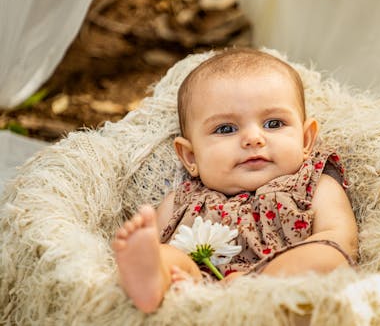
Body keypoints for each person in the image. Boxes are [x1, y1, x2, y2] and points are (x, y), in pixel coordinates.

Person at [112, 48, 358, 313]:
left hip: (280, 283)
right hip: (201, 288)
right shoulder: (181, 200)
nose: (253, 138)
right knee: (168, 256)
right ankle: (148, 280)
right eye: (226, 129)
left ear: (306, 140)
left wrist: (256, 278)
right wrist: (158, 256)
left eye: (273, 123)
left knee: (326, 255)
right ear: (191, 157)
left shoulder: (314, 184)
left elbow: (342, 239)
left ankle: (253, 289)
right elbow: (167, 243)